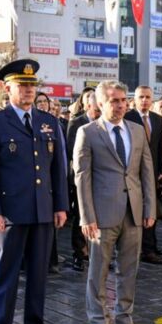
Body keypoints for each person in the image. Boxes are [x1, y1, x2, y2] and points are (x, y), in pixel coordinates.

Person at [0, 59, 69, 324]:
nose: (29, 90)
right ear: (8, 89)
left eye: (32, 85)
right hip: (10, 215)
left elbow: (58, 169)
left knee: (39, 277)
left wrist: (60, 206)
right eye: (22, 85)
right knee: (5, 276)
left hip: (42, 211)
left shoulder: (48, 122)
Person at [74, 81, 155, 324]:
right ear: (99, 103)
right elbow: (81, 177)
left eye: (123, 100)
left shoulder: (137, 130)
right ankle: (99, 321)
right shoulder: (87, 132)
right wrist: (87, 216)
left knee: (130, 268)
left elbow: (146, 172)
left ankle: (124, 318)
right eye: (113, 101)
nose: (120, 105)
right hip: (102, 213)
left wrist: (149, 207)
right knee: (98, 270)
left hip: (133, 211)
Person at [124, 85, 162, 264]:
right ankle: (137, 248)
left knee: (152, 210)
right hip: (133, 174)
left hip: (154, 175)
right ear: (134, 100)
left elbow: (161, 148)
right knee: (134, 213)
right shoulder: (127, 118)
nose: (145, 100)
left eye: (148, 97)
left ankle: (150, 247)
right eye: (141, 97)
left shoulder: (158, 120)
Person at [66, 90, 100, 271]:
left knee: (100, 217)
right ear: (88, 105)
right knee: (81, 216)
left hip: (101, 178)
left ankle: (98, 253)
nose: (99, 110)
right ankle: (79, 254)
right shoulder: (77, 123)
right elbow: (72, 149)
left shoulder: (105, 123)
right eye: (96, 107)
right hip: (83, 177)